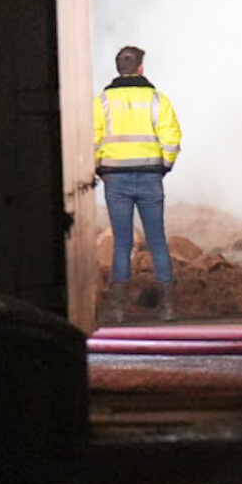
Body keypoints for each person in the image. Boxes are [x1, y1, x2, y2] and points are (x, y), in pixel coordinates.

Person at [94, 45, 183, 322]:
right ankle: (168, 309)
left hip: (115, 179)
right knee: (157, 240)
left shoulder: (102, 102)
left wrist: (100, 168)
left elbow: (93, 138)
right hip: (149, 177)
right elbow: (171, 139)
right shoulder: (158, 100)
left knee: (122, 242)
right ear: (141, 68)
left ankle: (117, 310)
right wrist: (163, 166)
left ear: (117, 68)